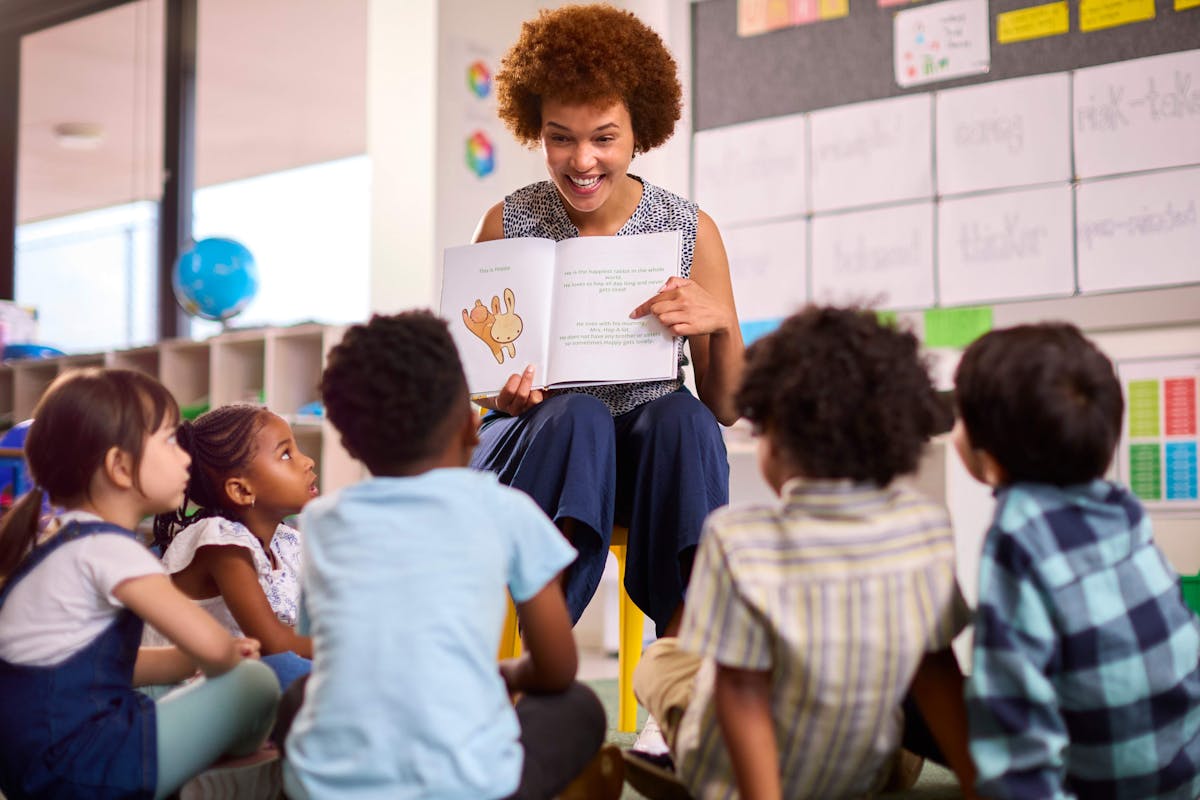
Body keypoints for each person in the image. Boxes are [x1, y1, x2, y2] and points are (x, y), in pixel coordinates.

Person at [470, 3, 744, 640]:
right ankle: (545, 656)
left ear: (638, 132)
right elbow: (475, 392)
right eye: (560, 136)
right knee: (579, 415)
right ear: (536, 129)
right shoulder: (505, 223)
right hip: (539, 454)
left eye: (604, 137)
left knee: (685, 418)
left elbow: (727, 407)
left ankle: (682, 662)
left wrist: (721, 325)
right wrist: (503, 398)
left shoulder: (687, 230)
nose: (582, 160)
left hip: (646, 463)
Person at [628, 307, 979, 799]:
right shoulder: (925, 528)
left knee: (663, 657)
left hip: (741, 775)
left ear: (770, 431)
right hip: (865, 772)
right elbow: (936, 671)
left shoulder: (736, 539)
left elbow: (739, 689)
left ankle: (684, 765)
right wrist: (978, 782)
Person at [282, 312, 622, 800]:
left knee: (298, 697)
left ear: (350, 441)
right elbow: (556, 667)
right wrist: (507, 674)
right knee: (579, 707)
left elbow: (325, 652)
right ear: (471, 426)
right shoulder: (506, 510)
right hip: (468, 786)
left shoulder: (319, 523)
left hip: (328, 787)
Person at [0, 368, 279, 800]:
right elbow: (214, 648)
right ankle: (222, 773)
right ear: (120, 466)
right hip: (91, 765)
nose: (185, 457)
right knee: (256, 682)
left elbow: (102, 667)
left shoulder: (57, 544)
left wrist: (184, 663)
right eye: (169, 441)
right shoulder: (111, 550)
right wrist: (228, 656)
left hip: (32, 770)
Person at [953, 323, 1200, 799]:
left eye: (960, 417)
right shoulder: (1121, 508)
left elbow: (1010, 714)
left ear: (994, 460)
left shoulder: (1018, 534)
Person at [150, 404, 317, 690]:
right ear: (241, 490)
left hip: (243, 681)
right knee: (289, 669)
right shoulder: (219, 542)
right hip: (187, 695)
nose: (308, 462)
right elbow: (273, 643)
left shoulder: (287, 541)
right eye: (286, 454)